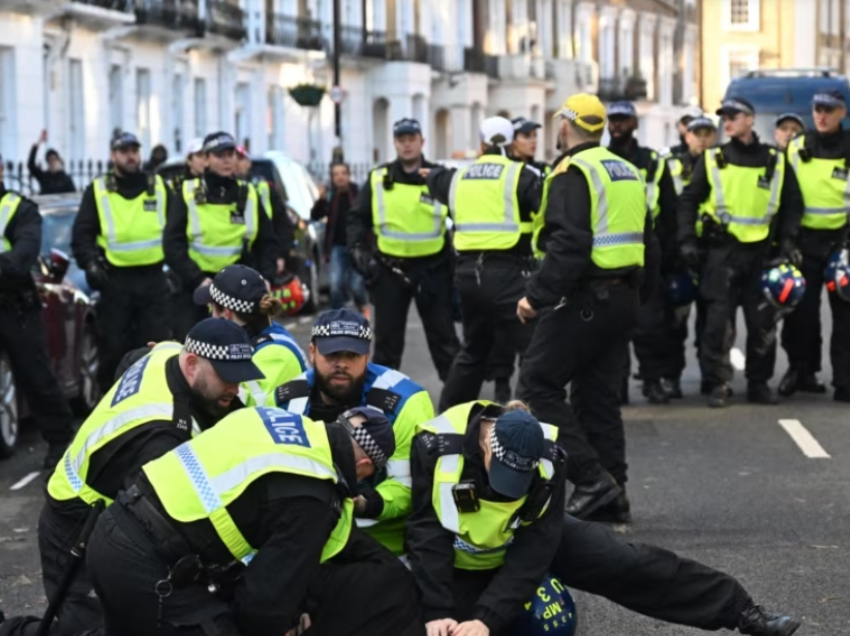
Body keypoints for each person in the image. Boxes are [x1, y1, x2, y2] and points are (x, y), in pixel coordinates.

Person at [408, 400, 800, 636]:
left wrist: (487, 617)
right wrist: (439, 610)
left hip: (522, 541)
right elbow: (427, 534)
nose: (511, 487)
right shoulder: (435, 447)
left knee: (626, 562)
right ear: (485, 446)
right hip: (458, 558)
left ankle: (743, 612)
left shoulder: (549, 458)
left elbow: (535, 548)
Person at [0, 319, 262, 636]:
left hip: (95, 503)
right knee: (90, 629)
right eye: (227, 378)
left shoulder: (167, 352)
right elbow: (156, 523)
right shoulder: (164, 435)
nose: (235, 389)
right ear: (192, 364)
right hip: (77, 526)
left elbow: (130, 361)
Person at [86, 405, 424, 636]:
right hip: (151, 567)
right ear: (365, 467)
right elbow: (264, 604)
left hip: (112, 527)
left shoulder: (271, 419)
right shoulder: (316, 493)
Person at [516, 93, 659, 519]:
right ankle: (615, 493)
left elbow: (569, 244)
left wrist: (535, 297)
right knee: (598, 397)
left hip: (585, 298)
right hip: (623, 297)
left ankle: (593, 479)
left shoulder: (572, 170)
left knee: (537, 386)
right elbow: (650, 241)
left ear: (567, 125)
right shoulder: (626, 170)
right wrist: (640, 297)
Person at [273, 307, 434, 556]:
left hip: (383, 543)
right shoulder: (285, 400)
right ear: (313, 352)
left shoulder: (406, 402)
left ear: (367, 356)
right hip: (307, 537)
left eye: (352, 355)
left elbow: (409, 485)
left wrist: (367, 503)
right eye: (332, 354)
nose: (342, 364)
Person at [677, 97, 804, 408]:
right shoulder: (713, 158)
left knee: (762, 325)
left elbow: (792, 205)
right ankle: (718, 384)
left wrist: (787, 241)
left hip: (762, 254)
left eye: (733, 116)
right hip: (722, 253)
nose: (727, 122)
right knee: (718, 324)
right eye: (725, 117)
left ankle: (759, 384)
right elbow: (688, 201)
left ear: (750, 119)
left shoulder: (775, 160)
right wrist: (687, 240)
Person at [423, 117, 542, 412]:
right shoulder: (521, 175)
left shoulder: (458, 177)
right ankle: (528, 422)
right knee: (533, 351)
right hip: (508, 274)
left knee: (473, 351)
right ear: (512, 142)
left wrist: (430, 173)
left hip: (467, 277)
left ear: (480, 145)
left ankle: (448, 418)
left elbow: (432, 177)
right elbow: (547, 211)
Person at [347, 118, 460, 381]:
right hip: (389, 270)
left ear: (422, 141)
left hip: (433, 269)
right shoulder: (378, 178)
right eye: (402, 140)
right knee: (387, 345)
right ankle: (379, 408)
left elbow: (462, 215)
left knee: (445, 342)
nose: (407, 145)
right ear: (395, 143)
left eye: (412, 139)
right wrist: (357, 251)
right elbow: (356, 217)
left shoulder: (440, 177)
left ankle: (460, 407)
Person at [71, 132, 172, 393]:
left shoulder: (159, 186)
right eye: (124, 151)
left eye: (134, 150)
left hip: (153, 280)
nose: (131, 156)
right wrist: (91, 264)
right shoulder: (99, 190)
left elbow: (177, 231)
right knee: (114, 348)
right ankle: (114, 403)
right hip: (116, 281)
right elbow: (82, 234)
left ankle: (156, 401)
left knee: (155, 347)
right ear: (113, 155)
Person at [163, 131, 279, 341]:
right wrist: (197, 278)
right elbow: (172, 243)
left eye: (230, 154)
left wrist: (267, 277)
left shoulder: (249, 193)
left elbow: (267, 242)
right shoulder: (188, 192)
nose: (227, 160)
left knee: (243, 348)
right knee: (194, 350)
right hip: (197, 288)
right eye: (219, 155)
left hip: (240, 288)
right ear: (206, 159)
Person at [0, 161, 75, 469]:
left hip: (14, 305)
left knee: (36, 377)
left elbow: (22, 258)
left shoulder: (19, 208)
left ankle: (61, 446)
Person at [606, 101, 678, 405]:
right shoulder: (601, 160)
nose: (617, 125)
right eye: (613, 120)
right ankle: (617, 387)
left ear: (635, 123)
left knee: (650, 327)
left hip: (646, 255)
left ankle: (651, 381)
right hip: (608, 258)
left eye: (623, 119)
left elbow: (670, 211)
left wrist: (671, 257)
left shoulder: (652, 161)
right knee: (613, 332)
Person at [780, 91, 850, 400]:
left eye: (829, 110)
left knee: (845, 317)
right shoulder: (797, 147)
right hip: (804, 243)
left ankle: (845, 381)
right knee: (801, 316)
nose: (821, 115)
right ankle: (801, 371)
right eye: (817, 109)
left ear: (842, 112)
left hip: (842, 244)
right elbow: (785, 195)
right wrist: (785, 240)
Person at [194, 264, 306, 405]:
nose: (210, 316)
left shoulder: (276, 355)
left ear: (227, 314)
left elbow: (246, 409)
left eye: (212, 308)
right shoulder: (255, 334)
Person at [666, 116, 720, 396]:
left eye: (707, 133)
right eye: (696, 133)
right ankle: (671, 377)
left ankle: (711, 378)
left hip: (712, 251)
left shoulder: (722, 164)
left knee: (712, 323)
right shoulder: (671, 166)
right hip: (680, 254)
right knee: (675, 325)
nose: (701, 138)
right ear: (685, 136)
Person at [311, 162, 369, 314]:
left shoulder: (358, 193)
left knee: (356, 286)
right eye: (336, 174)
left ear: (349, 175)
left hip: (357, 246)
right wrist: (321, 199)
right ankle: (337, 317)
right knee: (335, 285)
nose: (340, 177)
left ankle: (362, 307)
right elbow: (315, 216)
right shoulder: (330, 195)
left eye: (343, 173)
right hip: (337, 247)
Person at [26, 130, 75, 194]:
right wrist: (39, 141)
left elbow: (73, 195)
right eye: (50, 160)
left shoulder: (66, 179)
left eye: (54, 159)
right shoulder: (44, 177)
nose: (53, 162)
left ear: (59, 160)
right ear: (48, 163)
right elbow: (30, 165)